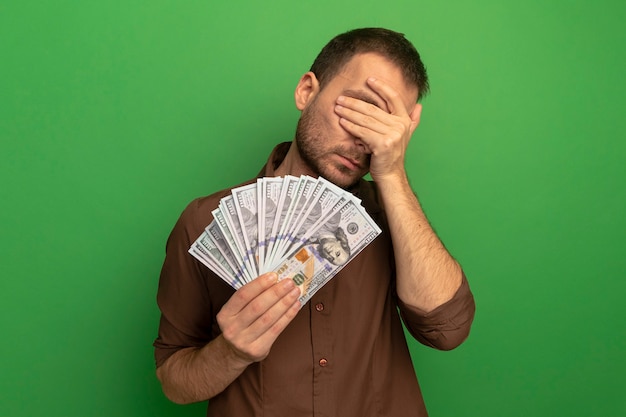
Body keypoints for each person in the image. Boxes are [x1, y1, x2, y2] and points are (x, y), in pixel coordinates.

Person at [154, 27, 476, 416]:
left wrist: (392, 173)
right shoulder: (206, 221)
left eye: (384, 127)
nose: (364, 139)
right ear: (307, 91)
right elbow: (174, 379)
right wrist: (231, 352)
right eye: (359, 110)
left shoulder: (395, 218)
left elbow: (447, 329)